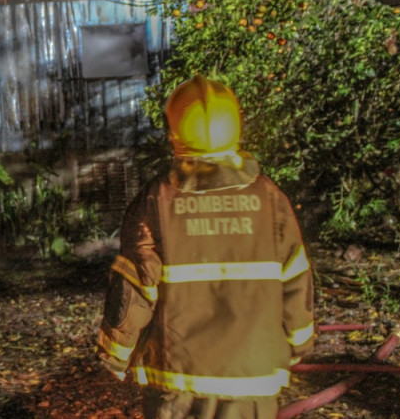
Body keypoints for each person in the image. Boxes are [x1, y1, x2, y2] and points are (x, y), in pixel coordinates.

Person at [95, 74, 315, 419]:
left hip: (176, 379)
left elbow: (135, 284)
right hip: (251, 378)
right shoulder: (271, 200)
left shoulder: (157, 200)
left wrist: (116, 351)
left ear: (174, 134)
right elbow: (296, 280)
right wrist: (299, 341)